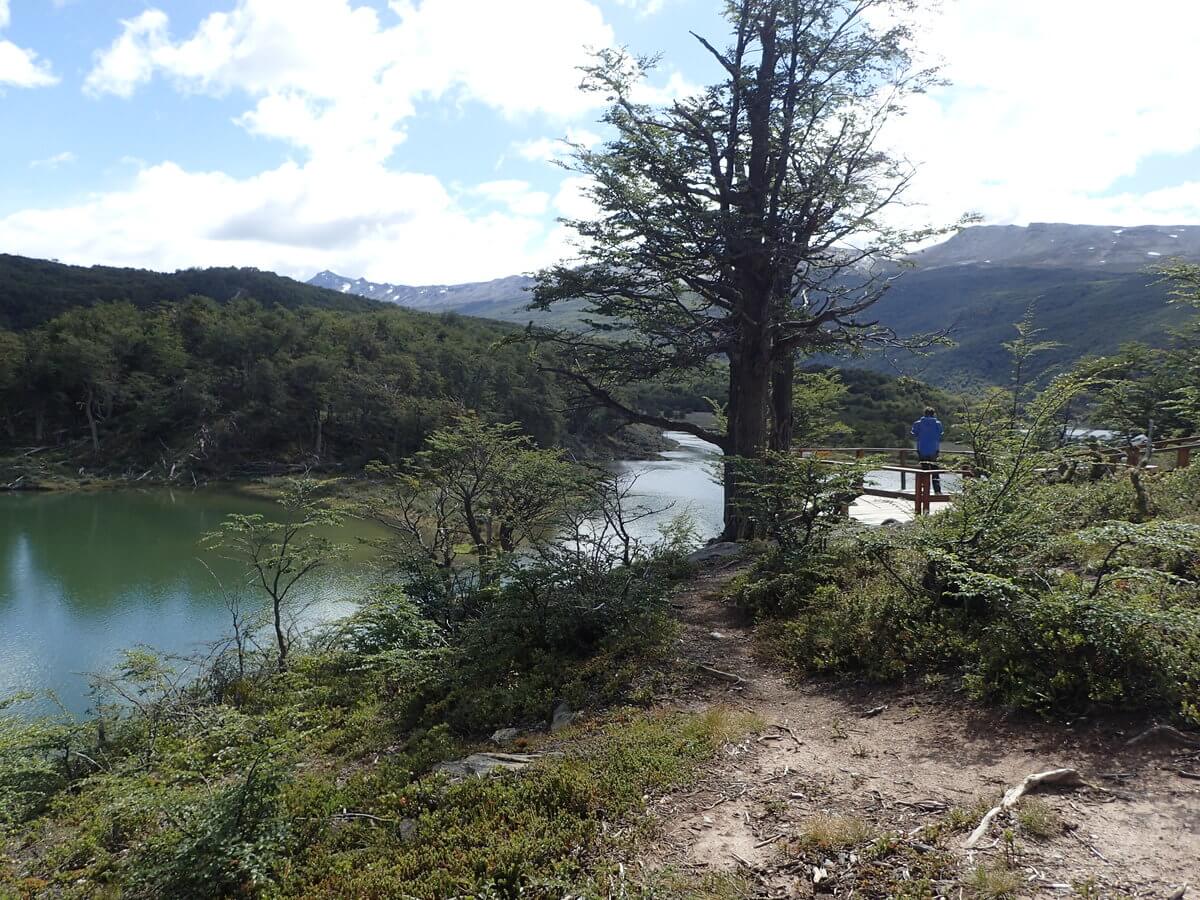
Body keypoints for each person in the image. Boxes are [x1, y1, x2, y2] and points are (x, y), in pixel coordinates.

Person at [911, 406, 944, 494]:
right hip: (934, 449)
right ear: (934, 414)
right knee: (935, 471)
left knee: (924, 471)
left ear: (924, 413)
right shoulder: (938, 423)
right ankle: (937, 491)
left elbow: (914, 433)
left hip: (922, 449)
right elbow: (941, 433)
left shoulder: (917, 423)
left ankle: (923, 491)